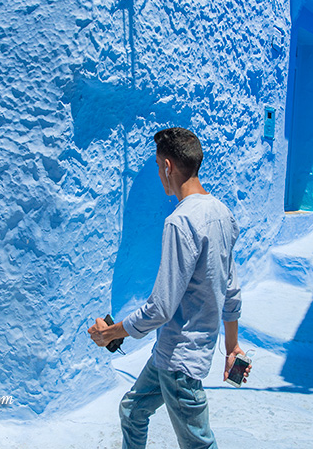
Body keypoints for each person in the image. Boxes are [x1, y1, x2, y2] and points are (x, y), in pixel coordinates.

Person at [88, 127, 250, 449]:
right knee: (132, 411)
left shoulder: (180, 222)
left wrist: (112, 333)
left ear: (167, 168)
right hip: (170, 355)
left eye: (158, 167)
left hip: (180, 361)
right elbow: (231, 290)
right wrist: (232, 347)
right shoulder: (222, 213)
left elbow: (161, 308)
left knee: (199, 444)